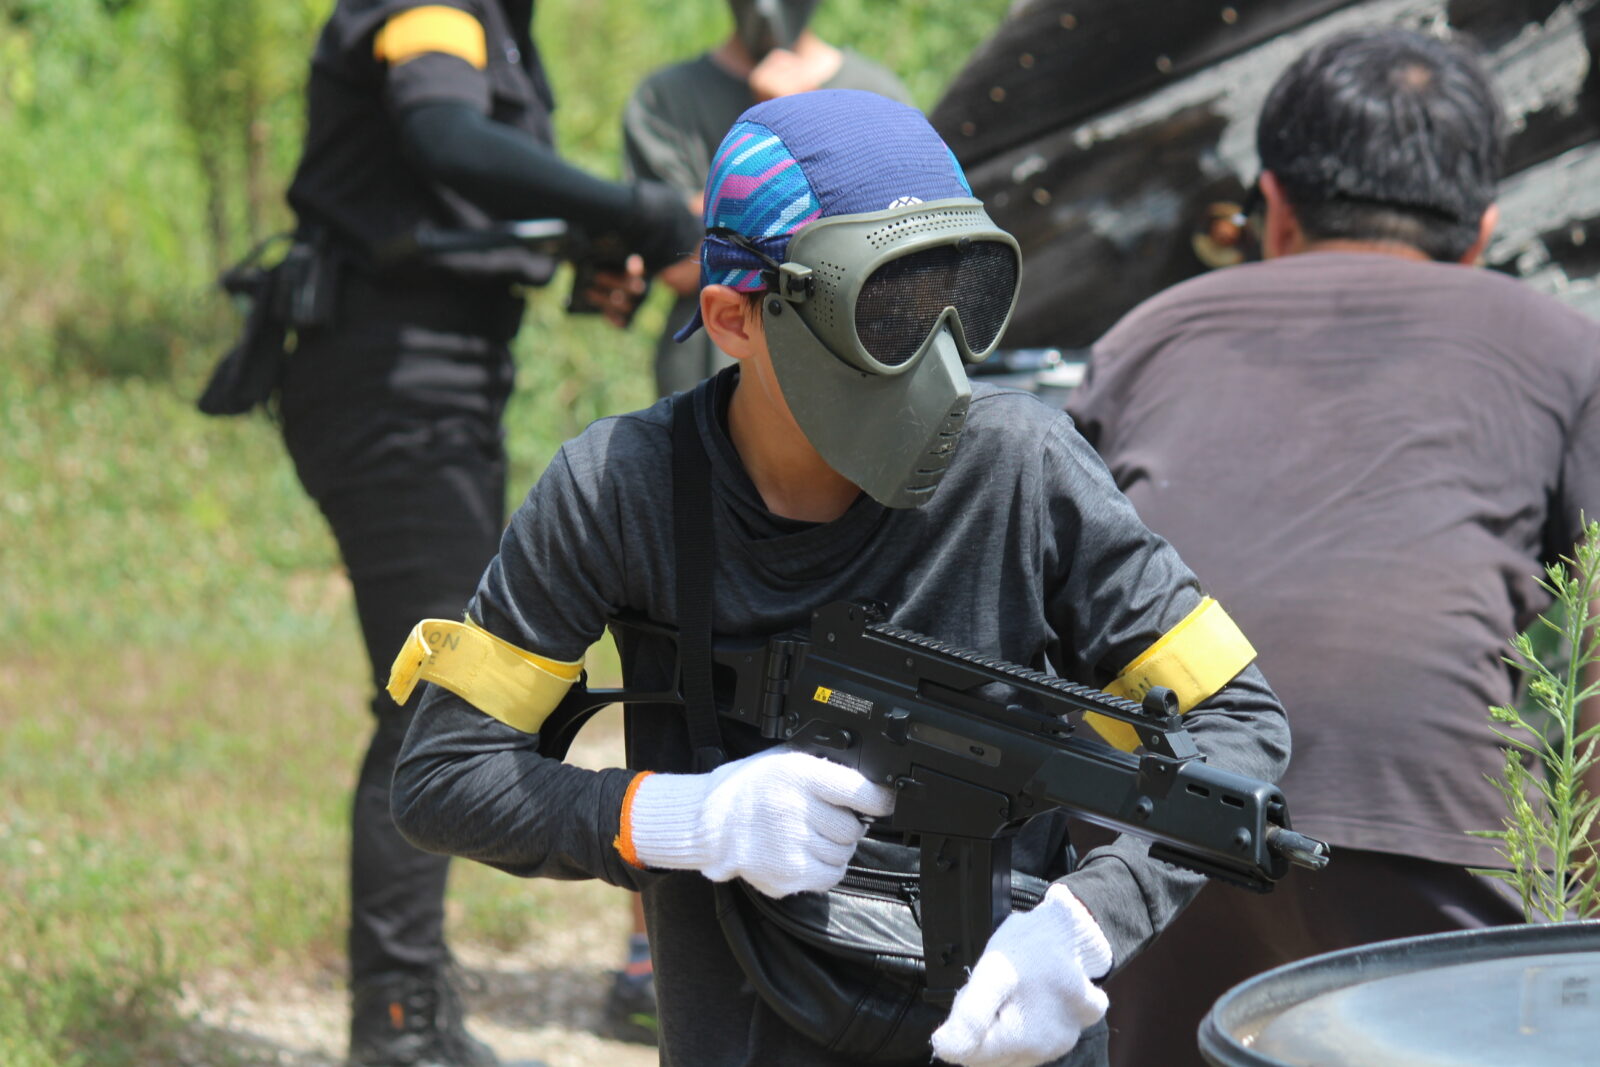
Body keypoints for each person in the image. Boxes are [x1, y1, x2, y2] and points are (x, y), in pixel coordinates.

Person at [387, 88, 1290, 1067]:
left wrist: (1083, 924)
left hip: (1008, 1034)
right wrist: (689, 818)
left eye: (959, 294)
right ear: (734, 317)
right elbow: (445, 774)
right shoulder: (623, 488)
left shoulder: (1023, 469)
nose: (936, 353)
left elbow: (1238, 725)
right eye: (885, 310)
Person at [1063, 27, 1600, 1067]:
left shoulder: (1144, 336)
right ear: (1482, 232)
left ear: (1272, 208)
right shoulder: (1566, 348)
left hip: (1150, 819)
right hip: (1426, 816)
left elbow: (1053, 588)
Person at [272, 3, 699, 1064]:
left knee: (438, 688)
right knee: (436, 695)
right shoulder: (437, 9)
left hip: (435, 383)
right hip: (389, 386)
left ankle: (407, 1002)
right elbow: (446, 138)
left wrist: (581, 239)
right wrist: (644, 212)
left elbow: (444, 185)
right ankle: (398, 1018)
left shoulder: (498, 21)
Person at [622, 0, 911, 398]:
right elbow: (680, 266)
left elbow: (899, 252)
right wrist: (770, 125)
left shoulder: (876, 96)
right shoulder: (666, 98)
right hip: (714, 378)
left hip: (852, 378)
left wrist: (804, 123)